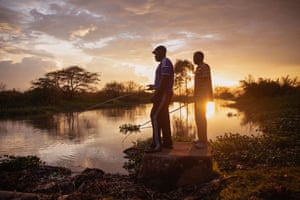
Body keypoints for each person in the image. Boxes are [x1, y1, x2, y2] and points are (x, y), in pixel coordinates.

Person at [146, 45, 174, 153]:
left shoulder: (165, 62)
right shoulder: (162, 64)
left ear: (162, 52)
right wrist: (153, 86)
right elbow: (161, 81)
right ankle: (167, 143)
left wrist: (156, 95)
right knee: (163, 117)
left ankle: (157, 145)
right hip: (164, 93)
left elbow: (165, 80)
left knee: (154, 116)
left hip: (163, 94)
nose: (154, 56)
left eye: (156, 53)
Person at [193, 51, 213, 149]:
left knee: (201, 118)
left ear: (200, 58)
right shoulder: (198, 68)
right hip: (198, 97)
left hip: (202, 98)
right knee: (198, 118)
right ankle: (200, 138)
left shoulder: (205, 67)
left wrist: (201, 96)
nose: (193, 59)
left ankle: (203, 141)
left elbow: (205, 82)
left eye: (195, 57)